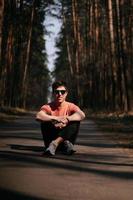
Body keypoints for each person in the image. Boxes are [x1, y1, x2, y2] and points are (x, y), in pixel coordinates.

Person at [36, 80, 85, 156]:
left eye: (62, 92)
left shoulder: (70, 106)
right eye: (57, 92)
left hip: (66, 144)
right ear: (53, 93)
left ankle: (56, 143)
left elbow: (82, 115)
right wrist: (56, 119)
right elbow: (39, 116)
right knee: (44, 121)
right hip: (50, 144)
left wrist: (67, 119)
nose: (60, 94)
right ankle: (53, 144)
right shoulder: (48, 106)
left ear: (66, 93)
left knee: (75, 120)